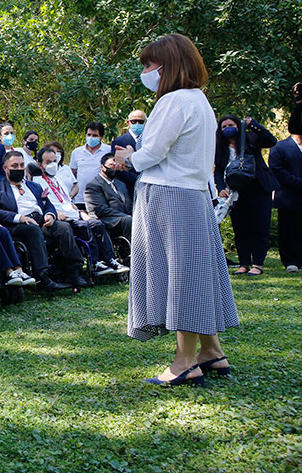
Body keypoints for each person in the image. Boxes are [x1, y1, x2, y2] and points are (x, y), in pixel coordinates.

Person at [114, 33, 239, 387]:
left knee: (179, 275)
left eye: (150, 65)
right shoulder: (199, 100)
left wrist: (128, 158)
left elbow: (153, 153)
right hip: (193, 194)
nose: (147, 71)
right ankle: (212, 351)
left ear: (168, 65)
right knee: (197, 272)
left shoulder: (172, 102)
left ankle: (185, 360)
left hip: (169, 195)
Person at [35, 148, 129, 281]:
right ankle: (95, 263)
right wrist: (55, 213)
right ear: (40, 164)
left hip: (73, 214)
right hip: (60, 218)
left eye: (55, 161)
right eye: (48, 162)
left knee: (97, 224)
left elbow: (67, 201)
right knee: (84, 226)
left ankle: (109, 259)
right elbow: (42, 206)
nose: (52, 164)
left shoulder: (58, 179)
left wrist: (80, 212)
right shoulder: (37, 182)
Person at [0, 151, 74, 292]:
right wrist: (20, 218)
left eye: (21, 165)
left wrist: (50, 215)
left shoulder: (34, 186)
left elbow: (48, 204)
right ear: (5, 168)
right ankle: (43, 276)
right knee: (32, 229)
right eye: (14, 165)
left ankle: (74, 271)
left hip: (41, 220)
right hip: (17, 224)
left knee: (64, 227)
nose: (19, 169)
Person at [214, 115, 278, 276]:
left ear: (238, 126)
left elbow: (271, 141)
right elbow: (219, 169)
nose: (228, 128)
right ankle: (244, 263)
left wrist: (253, 124)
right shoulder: (220, 147)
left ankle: (257, 264)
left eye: (231, 124)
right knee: (241, 229)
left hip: (258, 188)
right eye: (224, 126)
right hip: (236, 192)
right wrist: (221, 187)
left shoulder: (250, 138)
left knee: (260, 227)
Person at [270, 86, 302, 272]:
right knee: (289, 230)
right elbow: (277, 170)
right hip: (289, 197)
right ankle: (291, 261)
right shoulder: (280, 147)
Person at [84, 153, 133, 240]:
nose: (114, 168)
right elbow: (100, 209)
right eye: (111, 165)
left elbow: (129, 204)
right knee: (129, 220)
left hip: (123, 218)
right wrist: (124, 216)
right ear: (102, 167)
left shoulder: (120, 184)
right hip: (107, 220)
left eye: (115, 165)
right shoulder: (93, 185)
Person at [70, 122, 109, 208]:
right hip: (80, 198)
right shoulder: (77, 152)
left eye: (95, 135)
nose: (91, 137)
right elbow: (73, 173)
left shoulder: (108, 151)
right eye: (89, 135)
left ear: (101, 137)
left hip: (102, 197)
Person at [109, 110, 146, 199]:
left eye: (140, 122)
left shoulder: (150, 141)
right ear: (128, 123)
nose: (137, 124)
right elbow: (119, 168)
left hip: (147, 187)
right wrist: (138, 181)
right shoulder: (119, 142)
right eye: (134, 121)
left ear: (146, 123)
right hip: (128, 189)